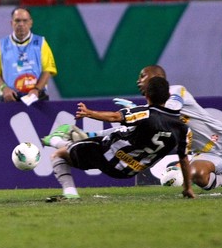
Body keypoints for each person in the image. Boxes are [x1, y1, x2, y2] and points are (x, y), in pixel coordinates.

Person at [43, 76, 195, 201]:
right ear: (168, 97)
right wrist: (187, 187)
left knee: (58, 155)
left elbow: (116, 116)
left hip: (107, 154)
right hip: (128, 171)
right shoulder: (184, 129)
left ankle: (70, 191)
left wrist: (89, 113)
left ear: (147, 95)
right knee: (124, 132)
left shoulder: (146, 113)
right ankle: (75, 140)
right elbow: (184, 160)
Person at [134, 64, 222, 193]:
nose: (138, 81)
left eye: (142, 76)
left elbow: (172, 108)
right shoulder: (152, 110)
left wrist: (139, 113)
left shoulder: (177, 90)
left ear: (157, 77)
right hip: (205, 152)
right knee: (197, 175)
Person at [0, 7, 57, 102]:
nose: (21, 24)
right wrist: (4, 88)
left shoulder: (41, 43)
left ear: (31, 23)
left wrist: (36, 89)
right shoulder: (1, 44)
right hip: (10, 98)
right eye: (17, 21)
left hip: (36, 97)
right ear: (11, 23)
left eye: (25, 21)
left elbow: (48, 70)